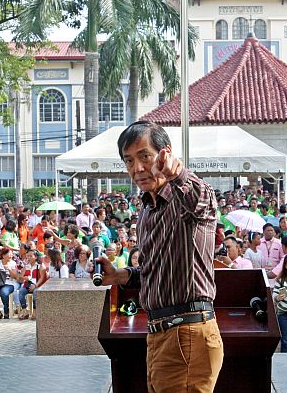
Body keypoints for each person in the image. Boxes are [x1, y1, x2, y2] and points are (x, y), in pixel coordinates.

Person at [94, 121, 223, 392]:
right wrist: (120, 276)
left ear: (165, 154)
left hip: (186, 333)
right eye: (129, 161)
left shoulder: (184, 199)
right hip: (162, 334)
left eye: (144, 157)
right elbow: (156, 271)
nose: (137, 168)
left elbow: (204, 199)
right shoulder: (148, 210)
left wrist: (179, 175)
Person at [18, 249, 41, 320]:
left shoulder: (40, 266)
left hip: (37, 285)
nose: (29, 257)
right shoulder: (26, 266)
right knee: (21, 292)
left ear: (36, 257)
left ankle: (34, 312)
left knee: (35, 293)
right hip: (27, 285)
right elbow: (20, 278)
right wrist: (24, 277)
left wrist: (35, 285)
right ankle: (25, 311)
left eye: (31, 256)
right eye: (28, 256)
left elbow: (42, 278)